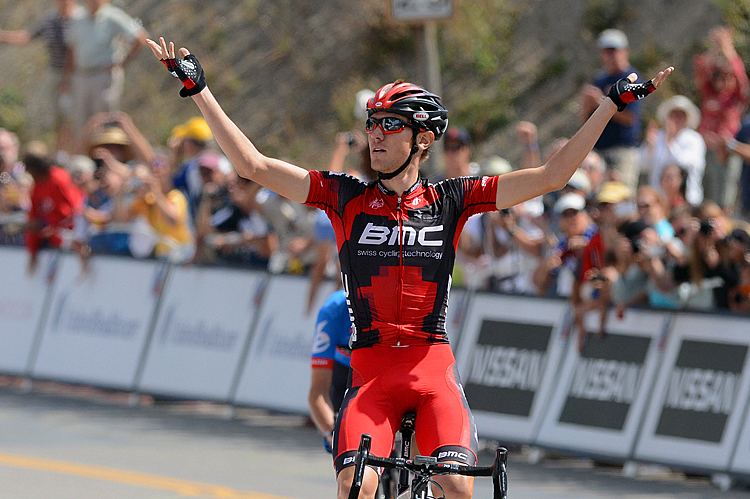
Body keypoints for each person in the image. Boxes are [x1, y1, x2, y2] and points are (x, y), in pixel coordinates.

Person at [146, 36, 671, 499]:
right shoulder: (344, 197)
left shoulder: (453, 199)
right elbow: (254, 166)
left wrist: (607, 105)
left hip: (431, 366)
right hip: (371, 370)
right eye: (372, 125)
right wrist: (199, 90)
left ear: (422, 138)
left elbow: (553, 176)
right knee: (357, 485)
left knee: (460, 487)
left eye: (389, 126)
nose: (375, 136)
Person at [0, 0, 83, 150]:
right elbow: (27, 36)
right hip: (55, 73)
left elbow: (77, 50)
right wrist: (3, 36)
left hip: (78, 76)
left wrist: (67, 78)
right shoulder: (50, 19)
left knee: (73, 116)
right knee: (57, 116)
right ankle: (60, 151)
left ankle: (75, 149)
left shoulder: (81, 19)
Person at [66, 0, 149, 145]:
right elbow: (72, 48)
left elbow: (140, 37)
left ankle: (106, 154)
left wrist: (122, 62)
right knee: (80, 120)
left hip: (103, 75)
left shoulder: (113, 16)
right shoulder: (77, 18)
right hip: (81, 75)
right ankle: (81, 155)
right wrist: (67, 77)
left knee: (105, 119)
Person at [579, 29, 644, 191]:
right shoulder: (599, 79)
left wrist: (601, 102)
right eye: (606, 52)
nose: (610, 56)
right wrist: (587, 104)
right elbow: (585, 119)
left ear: (625, 52)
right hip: (599, 149)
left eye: (614, 51)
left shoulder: (632, 78)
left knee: (622, 193)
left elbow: (630, 117)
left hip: (622, 149)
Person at [694, 26, 749, 209]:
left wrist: (727, 48)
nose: (722, 80)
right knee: (705, 199)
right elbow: (703, 69)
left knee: (725, 199)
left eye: (727, 76)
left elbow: (740, 76)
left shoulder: (736, 98)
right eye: (718, 76)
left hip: (727, 151)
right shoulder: (709, 94)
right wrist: (716, 47)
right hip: (706, 149)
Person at [23, 141, 84, 272]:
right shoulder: (36, 187)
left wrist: (56, 228)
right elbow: (33, 216)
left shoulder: (59, 178)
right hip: (51, 234)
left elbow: (77, 207)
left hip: (68, 231)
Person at [640, 95, 705, 206]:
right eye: (674, 115)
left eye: (681, 116)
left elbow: (687, 164)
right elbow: (642, 165)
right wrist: (650, 146)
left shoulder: (694, 139)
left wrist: (670, 142)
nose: (676, 119)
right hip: (658, 199)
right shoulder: (658, 137)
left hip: (686, 199)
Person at [309, 289, 352, 453]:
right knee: (340, 440)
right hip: (342, 370)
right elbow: (318, 391)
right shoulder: (333, 309)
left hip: (378, 372)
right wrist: (331, 433)